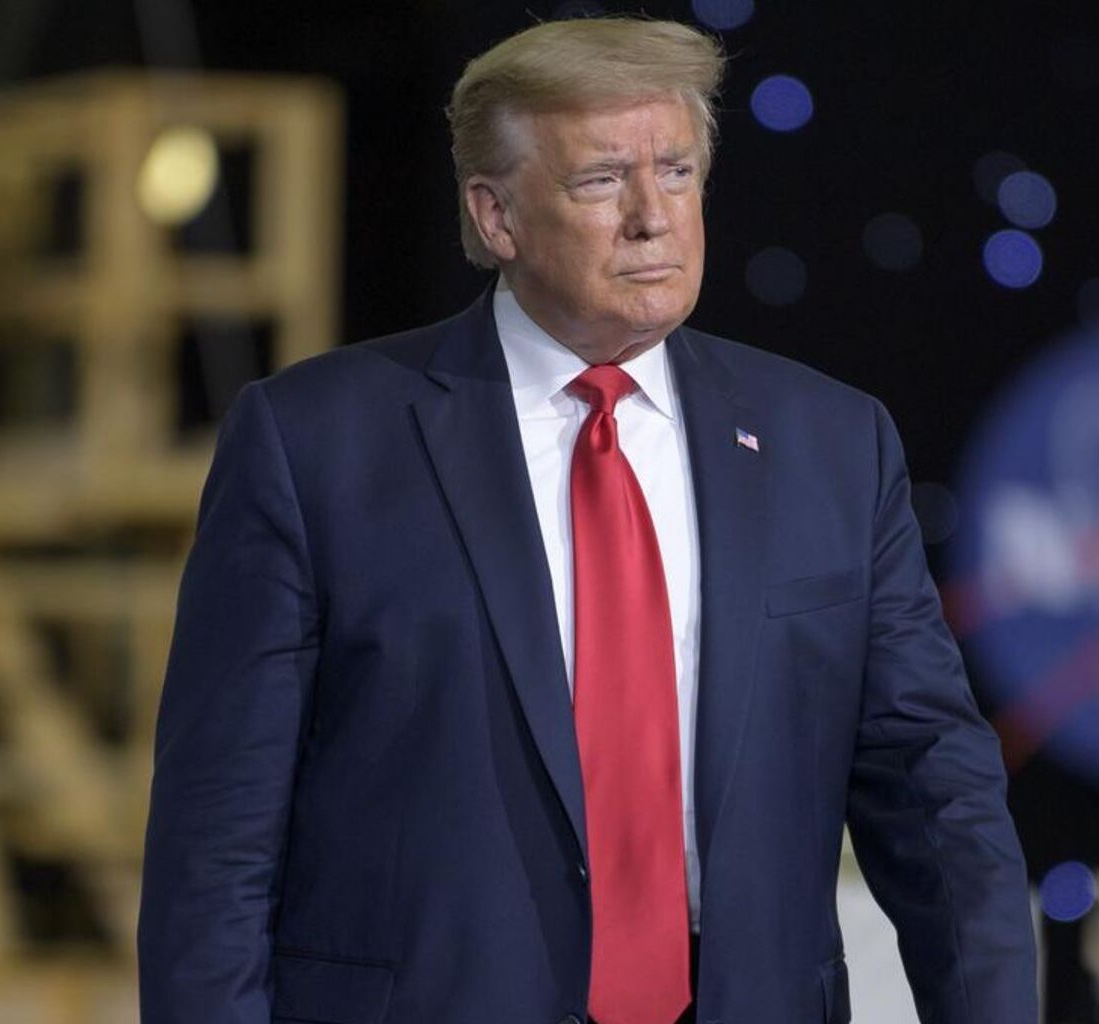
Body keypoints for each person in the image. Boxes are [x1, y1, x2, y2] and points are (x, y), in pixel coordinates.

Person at [138, 16, 1037, 1024]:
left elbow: (937, 795)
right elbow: (218, 841)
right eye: (602, 181)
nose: (655, 216)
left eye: (680, 171)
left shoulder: (834, 444)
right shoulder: (314, 445)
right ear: (495, 217)